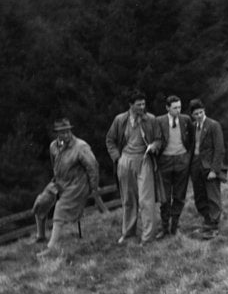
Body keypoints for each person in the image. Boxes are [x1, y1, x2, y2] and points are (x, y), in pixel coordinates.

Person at [32, 118, 108, 258]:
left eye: (67, 132)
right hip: (60, 181)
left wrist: (94, 187)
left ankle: (51, 248)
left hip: (77, 184)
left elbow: (93, 167)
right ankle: (40, 235)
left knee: (60, 209)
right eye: (62, 133)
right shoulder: (53, 146)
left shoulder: (81, 146)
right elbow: (54, 163)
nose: (66, 135)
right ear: (57, 133)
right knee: (41, 202)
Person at [105, 89, 162, 245]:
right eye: (138, 105)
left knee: (146, 200)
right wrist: (117, 157)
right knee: (128, 199)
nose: (142, 107)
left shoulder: (150, 119)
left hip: (144, 160)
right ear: (131, 105)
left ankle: (147, 236)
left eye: (144, 104)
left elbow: (158, 139)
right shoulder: (120, 120)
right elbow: (110, 140)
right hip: (125, 161)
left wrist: (153, 146)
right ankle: (128, 233)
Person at [156, 95, 193, 238]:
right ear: (167, 108)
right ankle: (164, 227)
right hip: (165, 162)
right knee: (164, 197)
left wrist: (187, 156)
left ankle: (174, 226)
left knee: (179, 195)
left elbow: (191, 140)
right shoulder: (159, 121)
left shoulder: (186, 120)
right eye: (175, 107)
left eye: (179, 107)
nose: (178, 110)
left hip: (181, 161)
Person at [189, 98, 226, 238]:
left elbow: (219, 149)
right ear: (192, 115)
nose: (199, 115)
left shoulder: (213, 125)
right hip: (196, 165)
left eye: (201, 112)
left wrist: (214, 170)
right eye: (196, 113)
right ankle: (207, 222)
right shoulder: (192, 127)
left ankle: (214, 225)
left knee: (213, 196)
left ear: (204, 111)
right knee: (200, 195)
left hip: (209, 166)